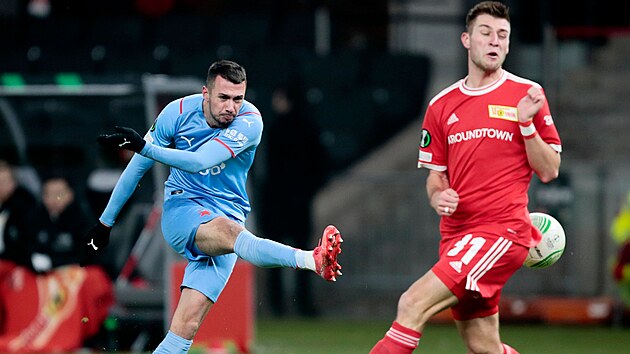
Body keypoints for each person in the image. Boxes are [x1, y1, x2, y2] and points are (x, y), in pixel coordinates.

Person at [81, 60, 343, 353]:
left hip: (227, 213)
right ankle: (312, 260)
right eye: (223, 98)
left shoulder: (250, 121)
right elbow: (136, 170)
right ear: (206, 93)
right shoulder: (176, 113)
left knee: (185, 328)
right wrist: (105, 223)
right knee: (231, 233)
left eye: (238, 98)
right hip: (184, 209)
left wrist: (145, 146)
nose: (231, 107)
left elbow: (201, 160)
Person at [370, 2, 562, 354]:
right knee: (482, 344)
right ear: (466, 40)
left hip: (500, 231)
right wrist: (437, 196)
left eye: (502, 35)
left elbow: (549, 169)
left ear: (507, 44)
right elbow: (435, 177)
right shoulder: (441, 105)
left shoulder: (527, 94)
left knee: (412, 303)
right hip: (456, 236)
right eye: (486, 33)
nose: (494, 41)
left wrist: (526, 125)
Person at [259, 83, 330, 316]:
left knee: (275, 256)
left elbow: (268, 168)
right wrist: (308, 191)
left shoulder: (275, 127)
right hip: (300, 201)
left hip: (277, 202)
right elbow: (321, 165)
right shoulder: (309, 126)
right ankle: (304, 304)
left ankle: (277, 305)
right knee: (305, 256)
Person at [29, 175, 92, 272]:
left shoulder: (82, 219)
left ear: (70, 194)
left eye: (59, 194)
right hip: (40, 274)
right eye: (48, 194)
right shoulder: (35, 217)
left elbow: (89, 255)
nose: (53, 199)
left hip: (73, 271)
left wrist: (52, 262)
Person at [0, 160, 37, 269]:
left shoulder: (24, 204)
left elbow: (25, 243)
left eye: (4, 181)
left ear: (14, 183)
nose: (1, 186)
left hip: (14, 264)